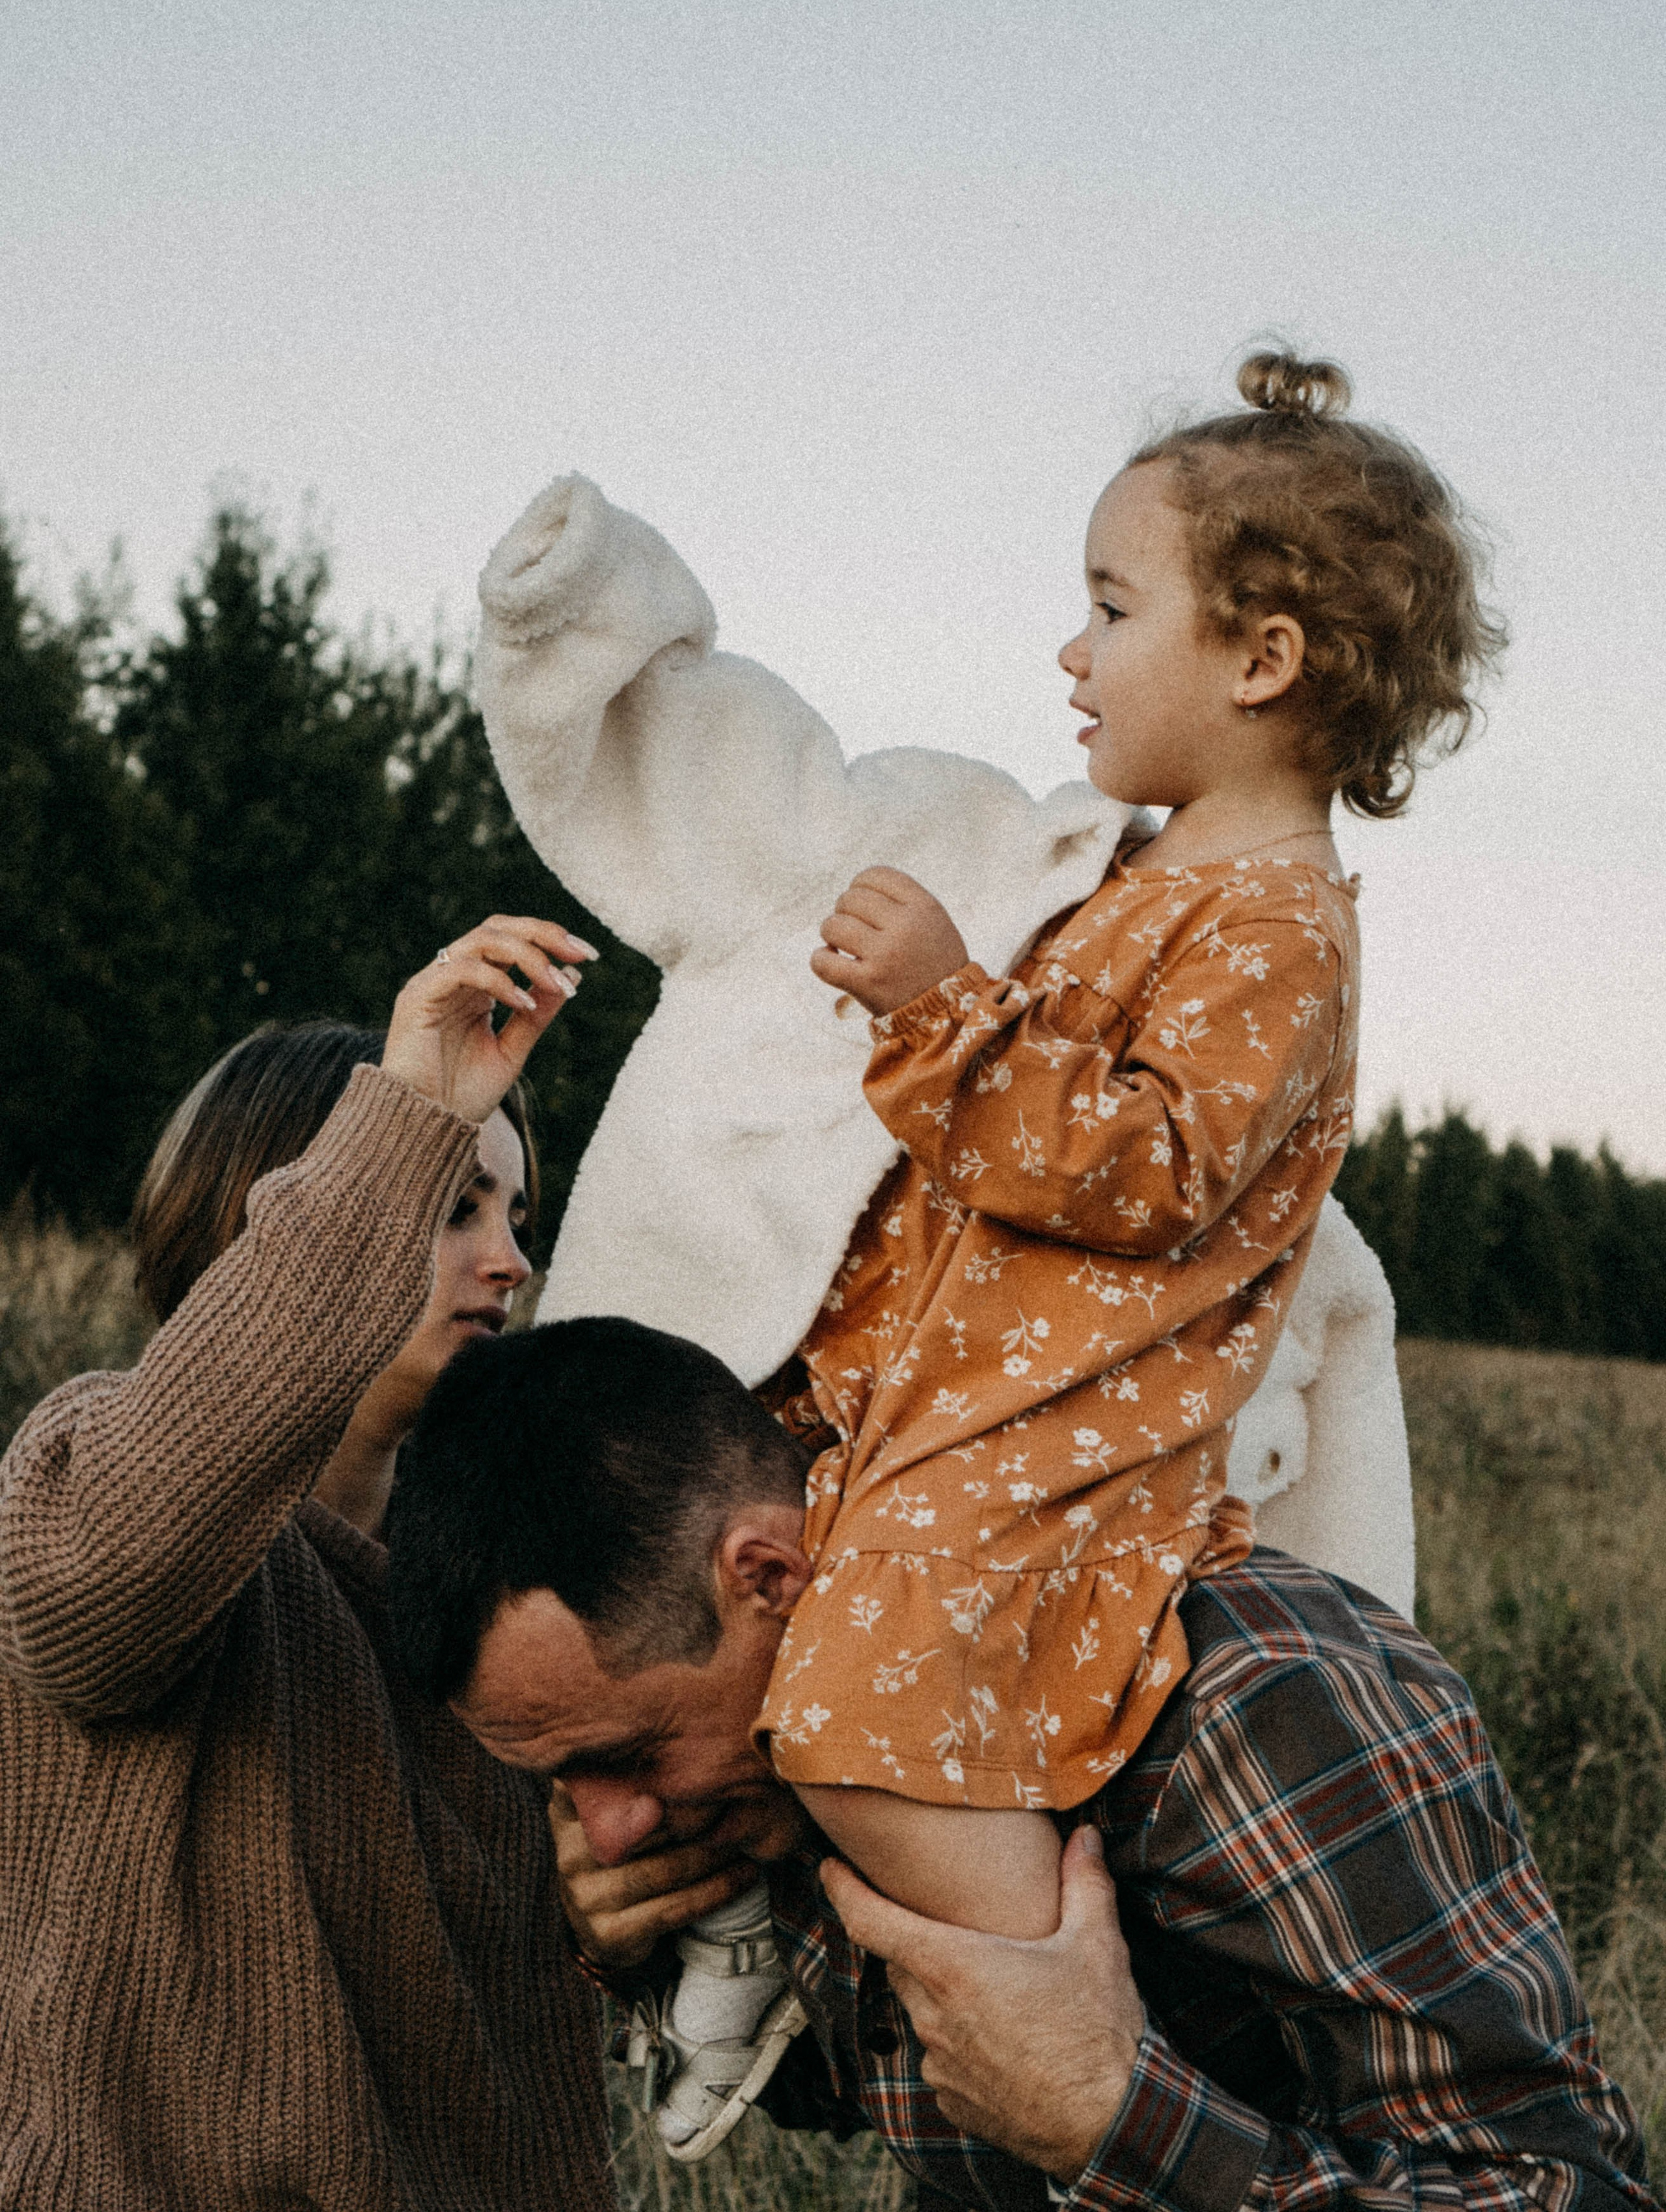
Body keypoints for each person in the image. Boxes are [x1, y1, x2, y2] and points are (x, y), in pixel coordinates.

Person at [582, 348, 1500, 2150]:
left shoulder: (1280, 926)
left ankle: (1019, 2016)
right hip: (936, 1399)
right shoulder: (1153, 880)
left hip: (1055, 1442)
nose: (1069, 653)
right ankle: (786, 1921)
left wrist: (946, 1010)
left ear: (1263, 658)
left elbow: (1148, 1170)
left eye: (1109, 607)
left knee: (855, 1715)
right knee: (739, 1633)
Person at [383, 1323, 1656, 2212]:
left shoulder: (1248, 1701)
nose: (604, 1833)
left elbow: (1564, 2193)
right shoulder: (802, 1760)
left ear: (767, 1575)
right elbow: (894, 2088)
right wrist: (640, 1951)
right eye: (560, 1783)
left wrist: (1113, 2119)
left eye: (624, 1754)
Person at [0, 914, 616, 2211]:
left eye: (518, 1212)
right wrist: (403, 1113)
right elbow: (99, 1590)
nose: (509, 1259)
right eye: (453, 1206)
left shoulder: (491, 1592)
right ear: (268, 1221)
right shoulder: (89, 1472)